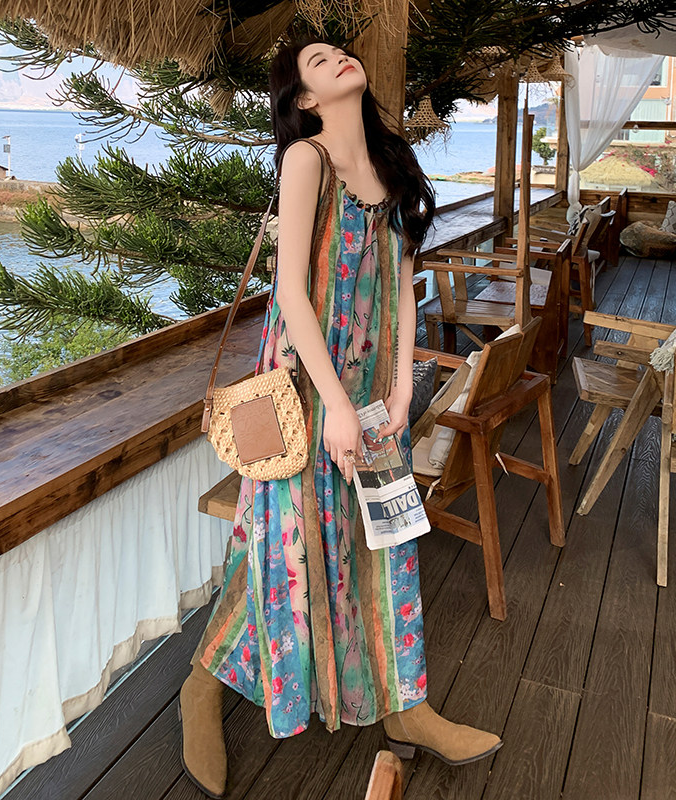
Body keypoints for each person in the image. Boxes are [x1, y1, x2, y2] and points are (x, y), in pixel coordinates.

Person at [178, 36, 502, 798]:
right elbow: (290, 294)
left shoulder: (391, 166)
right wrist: (333, 405)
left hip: (371, 395)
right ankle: (201, 686)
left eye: (338, 54)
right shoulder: (307, 161)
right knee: (282, 552)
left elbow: (403, 284)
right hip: (304, 396)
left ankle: (406, 707)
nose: (338, 61)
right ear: (304, 99)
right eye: (317, 63)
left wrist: (401, 392)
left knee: (386, 543)